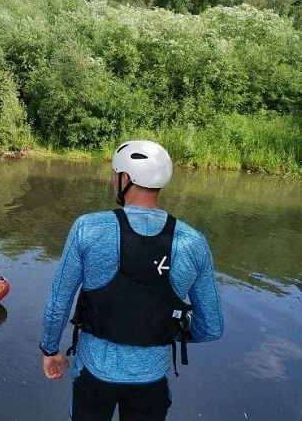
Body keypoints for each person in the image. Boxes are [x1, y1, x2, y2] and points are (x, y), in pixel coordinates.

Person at [39, 140, 224, 421]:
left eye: (115, 174)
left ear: (125, 178)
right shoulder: (193, 242)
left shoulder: (88, 228)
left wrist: (50, 349)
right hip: (152, 380)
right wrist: (162, 330)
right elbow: (211, 327)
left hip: (93, 373)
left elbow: (58, 303)